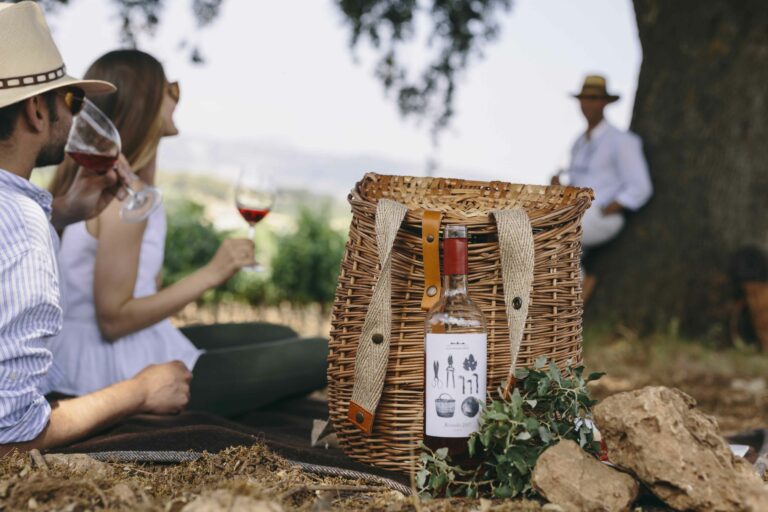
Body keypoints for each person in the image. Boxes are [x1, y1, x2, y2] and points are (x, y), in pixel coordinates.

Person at [48, 49, 328, 417]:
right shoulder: (122, 201)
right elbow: (114, 320)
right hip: (110, 368)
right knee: (326, 353)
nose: (177, 98)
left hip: (133, 345)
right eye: (171, 89)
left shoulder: (127, 189)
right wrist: (213, 272)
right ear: (146, 104)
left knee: (283, 336)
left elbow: (144, 291)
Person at [0, 1, 190, 452]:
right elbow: (10, 439)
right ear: (36, 113)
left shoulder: (28, 216)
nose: (80, 115)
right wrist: (140, 391)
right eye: (72, 100)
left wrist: (63, 210)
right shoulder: (25, 230)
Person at [553, 75, 653, 302]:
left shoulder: (622, 141)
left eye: (594, 98)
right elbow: (580, 184)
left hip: (601, 215)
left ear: (605, 102)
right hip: (575, 213)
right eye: (584, 98)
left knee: (558, 235)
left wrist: (608, 208)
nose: (588, 104)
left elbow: (640, 186)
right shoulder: (579, 142)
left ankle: (569, 304)